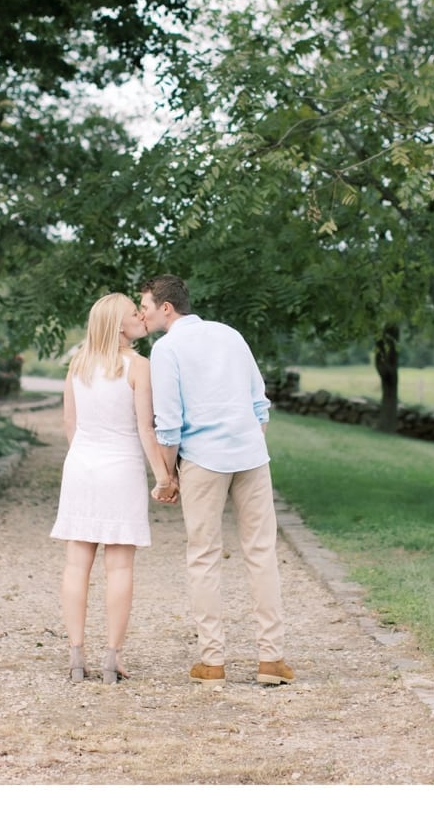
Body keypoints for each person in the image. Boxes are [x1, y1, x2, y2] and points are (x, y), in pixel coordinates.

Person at [137, 274, 294, 686]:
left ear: (166, 308)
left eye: (147, 307)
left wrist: (168, 475)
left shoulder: (166, 349)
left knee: (204, 555)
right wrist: (246, 441)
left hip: (203, 461)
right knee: (261, 552)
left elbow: (168, 426)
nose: (143, 314)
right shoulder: (229, 334)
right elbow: (259, 402)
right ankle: (271, 660)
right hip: (251, 456)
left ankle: (213, 662)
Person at [49, 292, 180, 684]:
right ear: (118, 325)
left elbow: (70, 425)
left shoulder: (78, 364)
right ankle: (112, 657)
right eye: (133, 313)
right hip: (120, 468)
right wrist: (164, 476)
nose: (142, 316)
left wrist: (85, 459)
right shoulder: (139, 366)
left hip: (81, 467)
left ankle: (75, 656)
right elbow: (145, 429)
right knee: (119, 565)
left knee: (76, 564)